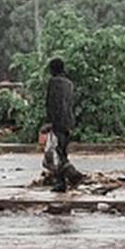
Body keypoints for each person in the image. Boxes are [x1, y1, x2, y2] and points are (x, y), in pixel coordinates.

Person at [45, 58, 77, 192]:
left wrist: (49, 122)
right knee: (62, 151)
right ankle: (65, 178)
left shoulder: (53, 83)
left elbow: (52, 104)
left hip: (58, 121)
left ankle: (66, 179)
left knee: (58, 153)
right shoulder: (69, 84)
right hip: (69, 121)